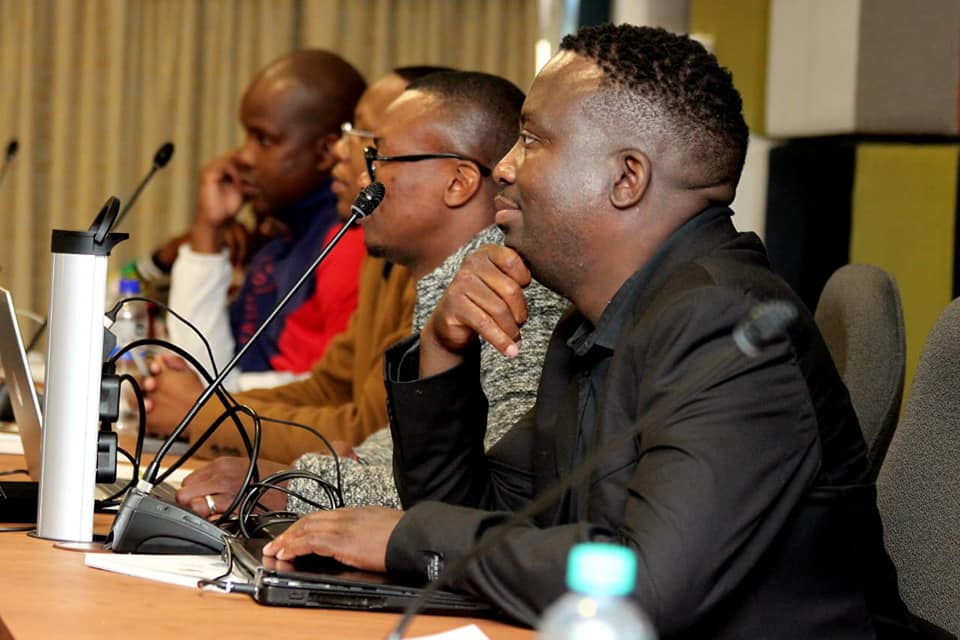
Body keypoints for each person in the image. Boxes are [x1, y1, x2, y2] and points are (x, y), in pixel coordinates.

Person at [261, 25, 930, 639]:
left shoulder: (723, 325)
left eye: (532, 140)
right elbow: (473, 510)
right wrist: (443, 352)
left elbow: (644, 589)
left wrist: (412, 538)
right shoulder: (600, 321)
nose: (504, 167)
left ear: (626, 177)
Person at [170, 70, 567, 518]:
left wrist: (298, 485)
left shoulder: (512, 292)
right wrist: (338, 467)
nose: (363, 177)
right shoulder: (442, 281)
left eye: (381, 159)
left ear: (458, 183)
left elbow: (487, 492)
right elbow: (406, 449)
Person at [160, 50, 367, 392]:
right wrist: (208, 230)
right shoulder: (283, 236)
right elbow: (202, 367)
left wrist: (199, 400)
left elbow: (328, 393)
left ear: (326, 151)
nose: (243, 156)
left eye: (264, 139)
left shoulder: (347, 243)